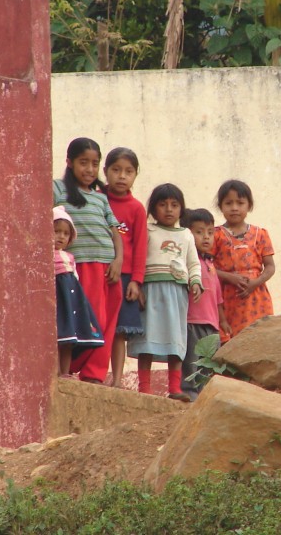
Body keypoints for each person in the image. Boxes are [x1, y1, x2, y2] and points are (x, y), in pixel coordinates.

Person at [53, 137, 123, 383]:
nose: (90, 170)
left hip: (107, 265)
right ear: (69, 162)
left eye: (95, 164)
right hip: (80, 264)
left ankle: (94, 374)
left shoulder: (101, 196)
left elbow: (115, 230)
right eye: (84, 163)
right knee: (89, 320)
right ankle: (69, 368)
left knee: (107, 322)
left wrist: (118, 261)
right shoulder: (58, 189)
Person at [128, 183, 202, 402]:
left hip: (177, 294)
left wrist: (196, 281)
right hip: (151, 291)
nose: (169, 209)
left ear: (182, 209)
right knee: (147, 338)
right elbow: (137, 257)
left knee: (176, 340)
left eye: (174, 205)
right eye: (163, 204)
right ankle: (145, 388)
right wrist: (137, 284)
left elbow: (193, 263)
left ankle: (174, 388)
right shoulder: (148, 230)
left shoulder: (186, 235)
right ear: (153, 209)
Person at [102, 147, 147, 388]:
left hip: (126, 276)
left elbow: (140, 247)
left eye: (128, 171)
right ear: (105, 171)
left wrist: (136, 281)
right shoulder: (98, 200)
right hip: (100, 272)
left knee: (119, 331)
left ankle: (118, 380)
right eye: (116, 170)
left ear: (135, 175)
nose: (122, 176)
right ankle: (96, 374)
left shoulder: (137, 208)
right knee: (99, 325)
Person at [213, 179, 275, 341]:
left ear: (249, 206)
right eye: (228, 203)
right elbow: (206, 267)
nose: (234, 208)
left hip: (257, 298)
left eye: (240, 203)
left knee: (259, 341)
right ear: (221, 207)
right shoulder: (215, 235)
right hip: (227, 299)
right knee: (230, 343)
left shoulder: (260, 234)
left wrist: (255, 282)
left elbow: (270, 267)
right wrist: (229, 277)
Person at [180, 208, 230, 400]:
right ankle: (189, 394)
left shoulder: (210, 264)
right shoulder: (189, 262)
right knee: (192, 362)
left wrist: (222, 321)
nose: (206, 237)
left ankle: (204, 396)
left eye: (210, 232)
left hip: (212, 325)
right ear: (187, 234)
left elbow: (218, 298)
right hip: (192, 321)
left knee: (208, 364)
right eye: (199, 232)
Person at [53, 205, 104, 378]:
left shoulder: (70, 257)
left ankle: (65, 372)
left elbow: (75, 279)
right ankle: (54, 371)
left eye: (65, 233)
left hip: (70, 302)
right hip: (57, 302)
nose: (61, 236)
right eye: (56, 231)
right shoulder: (45, 256)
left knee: (68, 340)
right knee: (56, 338)